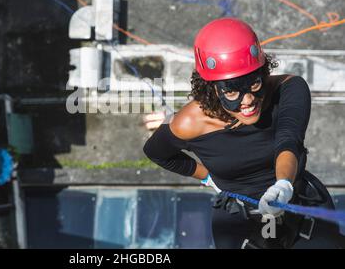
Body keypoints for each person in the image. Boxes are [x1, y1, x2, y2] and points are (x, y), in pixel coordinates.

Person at [143, 17, 345, 249]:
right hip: (240, 221)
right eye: (232, 92)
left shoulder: (288, 90)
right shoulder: (190, 122)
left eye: (254, 84)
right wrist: (207, 176)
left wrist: (283, 185)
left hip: (300, 204)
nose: (248, 100)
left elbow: (288, 141)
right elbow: (157, 152)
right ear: (212, 90)